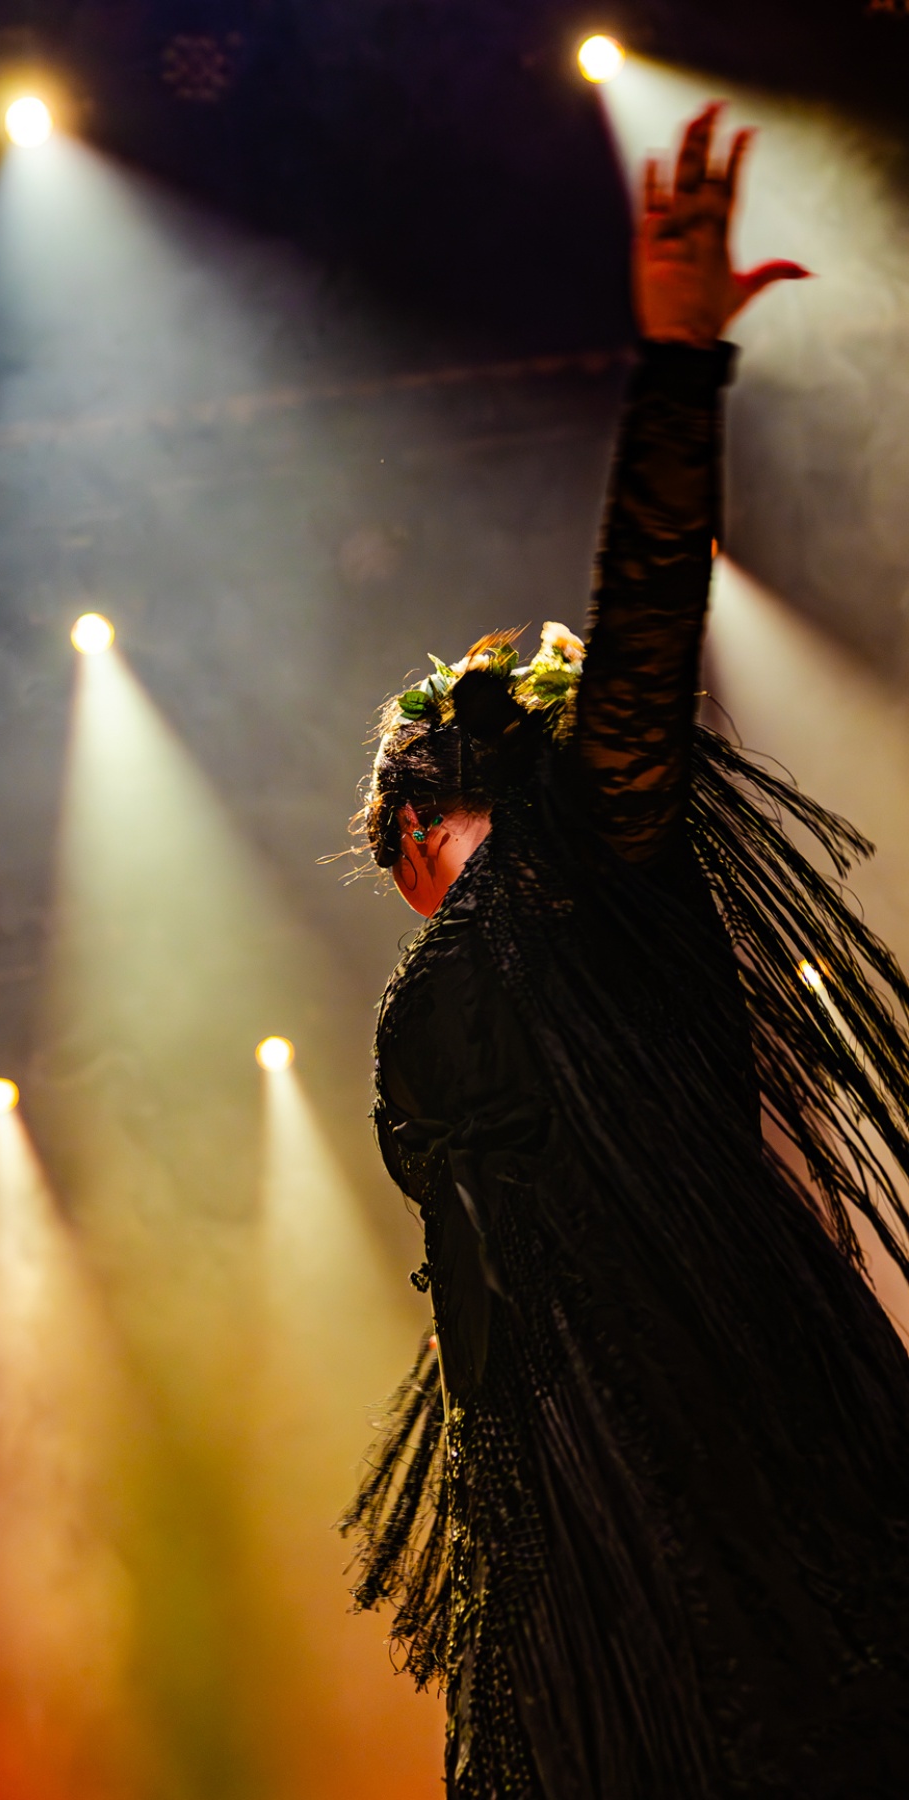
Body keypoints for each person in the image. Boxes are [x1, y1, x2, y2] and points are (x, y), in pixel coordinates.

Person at [342, 106, 909, 1799]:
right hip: (572, 1481)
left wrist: (676, 366)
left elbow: (648, 616)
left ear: (415, 821)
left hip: (717, 1418)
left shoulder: (590, 866)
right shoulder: (531, 922)